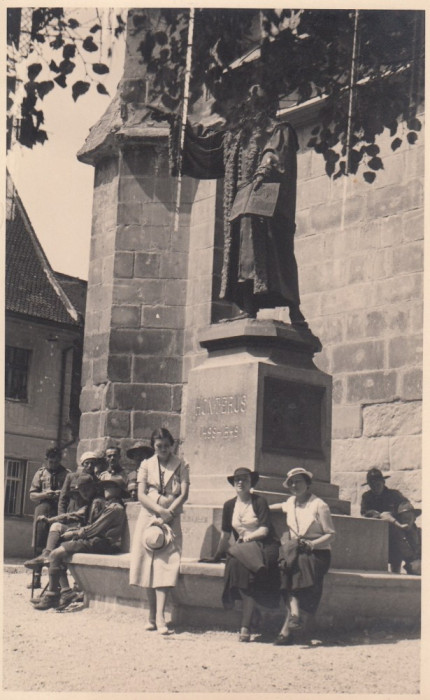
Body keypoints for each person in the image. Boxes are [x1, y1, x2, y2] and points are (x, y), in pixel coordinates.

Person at [152, 84, 307, 326]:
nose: (249, 108)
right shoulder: (234, 137)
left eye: (255, 104)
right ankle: (248, 307)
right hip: (241, 204)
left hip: (268, 207)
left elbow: (274, 153)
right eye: (247, 104)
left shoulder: (278, 129)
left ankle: (295, 312)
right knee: (241, 253)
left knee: (276, 256)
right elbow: (205, 146)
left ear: (266, 106)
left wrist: (264, 169)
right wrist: (176, 121)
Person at [33, 474, 127, 611]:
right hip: (96, 541)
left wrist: (75, 533)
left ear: (118, 490)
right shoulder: (108, 505)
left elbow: (95, 529)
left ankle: (54, 595)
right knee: (57, 553)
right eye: (105, 486)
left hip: (103, 544)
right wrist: (53, 521)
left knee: (55, 554)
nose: (106, 488)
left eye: (110, 486)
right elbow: (75, 516)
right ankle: (63, 592)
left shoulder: (114, 508)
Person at [129, 428, 190, 634]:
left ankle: (161, 617)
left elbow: (184, 493)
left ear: (171, 445)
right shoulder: (145, 465)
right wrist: (159, 511)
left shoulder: (180, 464)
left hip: (171, 518)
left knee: (165, 565)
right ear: (153, 446)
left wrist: (169, 512)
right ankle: (150, 615)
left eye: (166, 445)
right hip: (149, 516)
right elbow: (141, 494)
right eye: (158, 446)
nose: (163, 449)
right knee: (147, 564)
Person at [212, 467, 280, 643]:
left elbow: (265, 530)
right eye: (237, 480)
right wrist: (217, 554)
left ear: (251, 483)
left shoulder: (259, 502)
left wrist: (248, 538)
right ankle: (249, 616)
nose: (240, 483)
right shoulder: (229, 505)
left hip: (265, 545)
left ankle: (245, 624)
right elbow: (226, 534)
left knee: (244, 565)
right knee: (236, 563)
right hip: (244, 548)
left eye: (244, 479)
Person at [270, 467, 335, 645]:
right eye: (291, 482)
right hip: (296, 550)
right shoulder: (291, 502)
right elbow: (278, 507)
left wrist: (312, 544)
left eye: (298, 481)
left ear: (307, 483)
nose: (294, 485)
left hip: (318, 552)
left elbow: (331, 534)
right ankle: (295, 616)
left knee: (297, 566)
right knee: (285, 566)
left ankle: (288, 626)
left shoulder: (319, 505)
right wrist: (260, 508)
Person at [24, 474, 104, 574]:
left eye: (87, 489)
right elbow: (72, 515)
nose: (84, 493)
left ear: (93, 488)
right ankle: (46, 555)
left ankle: (60, 586)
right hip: (84, 536)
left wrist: (74, 532)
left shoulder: (97, 502)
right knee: (56, 526)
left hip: (93, 539)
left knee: (58, 550)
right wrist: (50, 520)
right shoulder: (89, 504)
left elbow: (95, 528)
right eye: (81, 490)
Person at [28, 446, 70, 588]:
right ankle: (36, 578)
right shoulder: (40, 473)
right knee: (39, 543)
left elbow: (70, 493)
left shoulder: (66, 474)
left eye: (56, 462)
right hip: (43, 508)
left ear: (60, 460)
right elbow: (32, 495)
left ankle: (55, 580)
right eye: (50, 461)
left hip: (59, 508)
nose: (53, 464)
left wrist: (60, 494)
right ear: (46, 460)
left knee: (55, 543)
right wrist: (45, 494)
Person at [360, 468, 407, 573]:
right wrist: (375, 514)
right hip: (375, 534)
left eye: (377, 484)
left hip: (393, 534)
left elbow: (406, 508)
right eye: (372, 485)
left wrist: (394, 515)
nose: (375, 488)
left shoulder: (394, 495)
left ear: (383, 482)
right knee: (376, 564)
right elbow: (363, 512)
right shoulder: (367, 497)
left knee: (395, 559)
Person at [392, 501, 422, 575]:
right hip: (411, 564)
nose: (407, 521)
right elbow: (384, 515)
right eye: (404, 518)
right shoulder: (398, 534)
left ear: (414, 518)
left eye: (409, 518)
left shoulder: (419, 532)